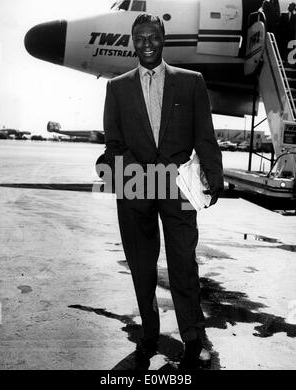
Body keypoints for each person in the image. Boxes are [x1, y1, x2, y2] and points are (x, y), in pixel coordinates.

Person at [102, 13, 224, 370]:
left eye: (153, 36)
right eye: (139, 38)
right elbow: (113, 142)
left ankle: (191, 337)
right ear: (132, 42)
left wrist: (213, 177)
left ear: (163, 38)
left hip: (179, 185)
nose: (147, 44)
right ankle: (150, 332)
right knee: (141, 266)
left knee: (183, 263)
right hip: (137, 185)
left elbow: (204, 134)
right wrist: (131, 176)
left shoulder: (191, 82)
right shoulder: (117, 87)